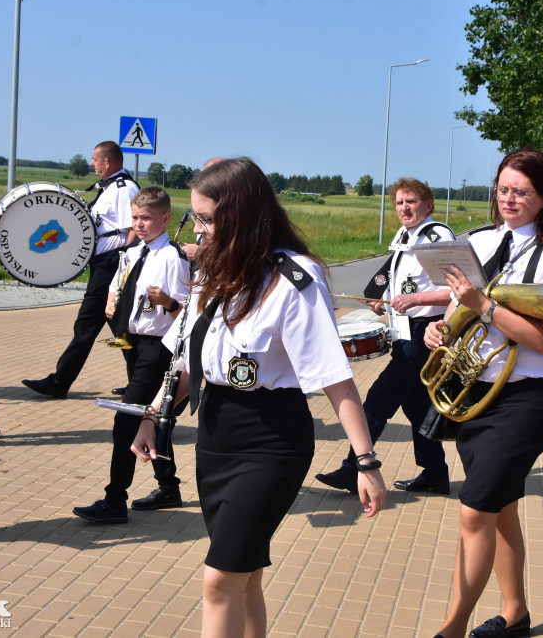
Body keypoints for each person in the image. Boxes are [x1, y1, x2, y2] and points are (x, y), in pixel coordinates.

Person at [130, 157, 385, 637]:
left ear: (241, 214)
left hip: (271, 439)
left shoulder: (293, 278)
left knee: (218, 580)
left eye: (207, 219)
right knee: (244, 578)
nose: (199, 231)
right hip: (216, 432)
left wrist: (366, 461)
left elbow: (334, 377)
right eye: (196, 218)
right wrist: (152, 416)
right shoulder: (214, 269)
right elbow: (189, 357)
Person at [423, 150, 543, 638]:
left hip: (527, 399)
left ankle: (452, 627)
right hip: (477, 396)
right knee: (501, 508)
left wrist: (483, 305)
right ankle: (516, 615)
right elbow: (454, 308)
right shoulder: (479, 241)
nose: (509, 200)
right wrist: (441, 331)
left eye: (521, 192)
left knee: (475, 511)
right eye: (503, 189)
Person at [316, 178, 452, 495]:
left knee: (379, 398)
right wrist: (383, 299)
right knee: (417, 405)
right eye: (399, 202)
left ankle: (354, 468)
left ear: (428, 205)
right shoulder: (406, 235)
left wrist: (415, 301)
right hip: (405, 331)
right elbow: (403, 281)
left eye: (412, 201)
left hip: (426, 332)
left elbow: (460, 291)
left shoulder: (437, 236)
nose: (404, 207)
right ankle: (435, 473)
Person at [72, 187, 190, 524]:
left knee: (126, 418)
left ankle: (114, 499)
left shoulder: (172, 256)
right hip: (133, 344)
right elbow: (121, 285)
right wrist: (111, 300)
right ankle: (168, 487)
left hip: (157, 347)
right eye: (135, 218)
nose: (138, 224)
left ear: (165, 219)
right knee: (148, 417)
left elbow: (185, 315)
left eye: (146, 218)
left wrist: (168, 302)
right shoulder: (132, 251)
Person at [22, 141, 139, 398]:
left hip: (112, 264)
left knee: (87, 325)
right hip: (106, 264)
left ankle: (59, 382)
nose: (91, 163)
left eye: (95, 159)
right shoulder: (111, 187)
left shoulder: (124, 188)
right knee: (119, 328)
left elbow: (133, 231)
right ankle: (139, 383)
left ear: (107, 162)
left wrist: (121, 267)